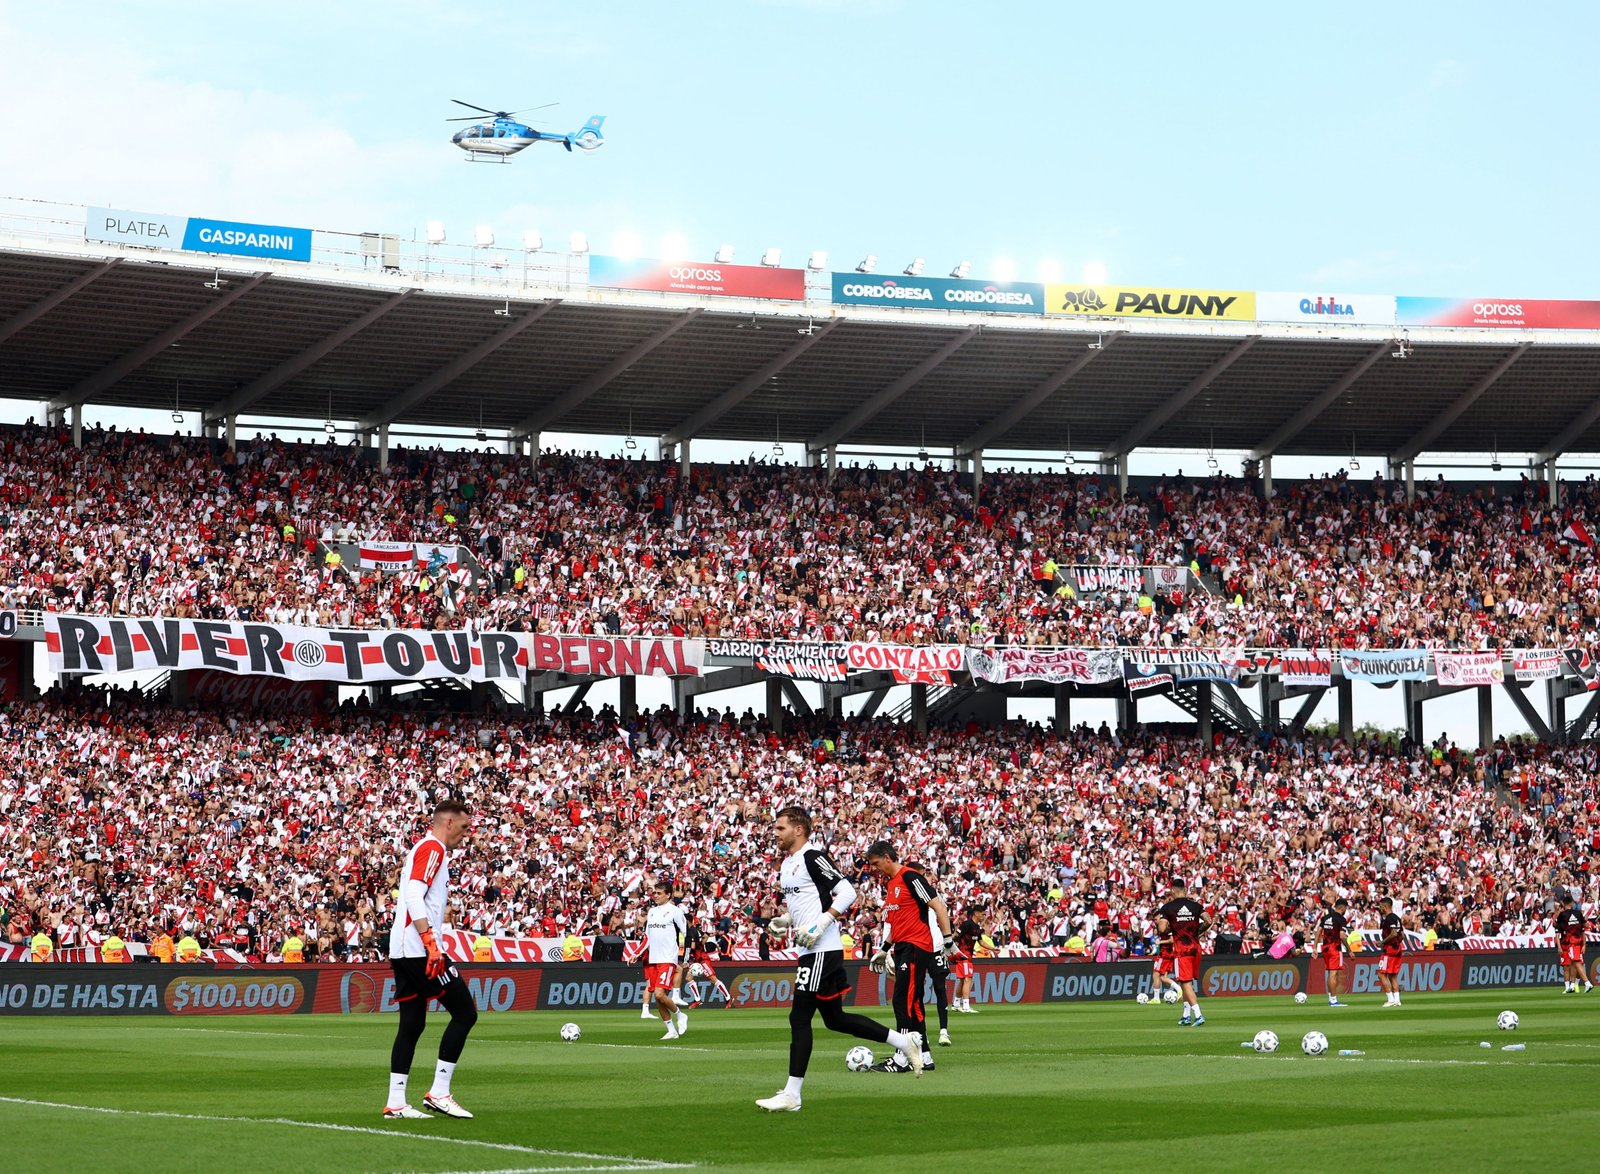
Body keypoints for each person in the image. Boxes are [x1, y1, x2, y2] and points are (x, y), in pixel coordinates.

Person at [754, 806, 924, 1113]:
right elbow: (808, 904)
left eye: (780, 828)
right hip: (810, 950)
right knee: (835, 1019)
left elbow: (846, 892)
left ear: (799, 830)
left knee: (799, 1017)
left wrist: (822, 923)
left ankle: (793, 1093)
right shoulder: (788, 863)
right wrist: (787, 920)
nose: (775, 833)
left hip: (822, 950)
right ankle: (904, 1042)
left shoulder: (812, 856)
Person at [384, 798, 479, 1121]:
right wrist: (431, 944)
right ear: (448, 823)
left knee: (412, 1023)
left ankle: (396, 1102)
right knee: (465, 1012)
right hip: (420, 950)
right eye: (464, 828)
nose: (465, 835)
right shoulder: (433, 848)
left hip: (402, 949)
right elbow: (413, 894)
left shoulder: (426, 849)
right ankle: (439, 1092)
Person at [864, 841, 951, 1072]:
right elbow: (898, 923)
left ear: (887, 857)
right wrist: (884, 949)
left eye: (876, 863)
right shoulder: (892, 884)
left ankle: (902, 1058)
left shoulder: (911, 877)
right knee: (914, 1001)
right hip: (902, 946)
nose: (875, 869)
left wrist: (948, 938)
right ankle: (925, 1056)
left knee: (902, 1001)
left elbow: (938, 906)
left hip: (916, 945)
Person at [1155, 878, 1211, 1027]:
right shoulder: (1196, 906)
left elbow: (1162, 929)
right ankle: (1186, 1015)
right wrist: (1197, 932)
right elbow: (1208, 921)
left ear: (1173, 891)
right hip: (1196, 947)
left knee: (1185, 983)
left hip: (1182, 949)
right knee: (1188, 981)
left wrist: (1172, 928)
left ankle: (1198, 1015)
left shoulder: (1167, 908)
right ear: (1185, 890)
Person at [643, 881, 689, 1040]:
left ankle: (680, 1015)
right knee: (658, 998)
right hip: (654, 959)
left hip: (668, 958)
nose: (655, 896)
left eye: (659, 893)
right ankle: (671, 1030)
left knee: (659, 993)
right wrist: (636, 953)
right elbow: (647, 937)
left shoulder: (675, 911)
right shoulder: (651, 912)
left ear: (668, 895)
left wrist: (683, 957)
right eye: (654, 893)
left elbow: (685, 934)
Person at [1553, 891, 1592, 994]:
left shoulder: (1563, 915)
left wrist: (1556, 912)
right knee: (1574, 962)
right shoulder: (1578, 913)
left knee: (1576, 962)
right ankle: (1572, 985)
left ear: (1564, 904)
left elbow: (1555, 925)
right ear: (1571, 904)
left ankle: (1587, 983)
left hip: (1571, 941)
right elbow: (1585, 925)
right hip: (1578, 940)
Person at [1318, 897, 1350, 1007]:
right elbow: (1342, 936)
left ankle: (1331, 998)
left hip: (1325, 948)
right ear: (1343, 907)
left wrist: (1314, 947)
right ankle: (1333, 1000)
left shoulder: (1326, 917)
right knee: (1334, 973)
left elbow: (1318, 931)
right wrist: (1349, 950)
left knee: (1330, 973)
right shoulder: (1341, 919)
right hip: (1335, 948)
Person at [1377, 897, 1405, 1008]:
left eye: (1380, 906)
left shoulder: (1389, 919)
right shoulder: (1397, 918)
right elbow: (1402, 935)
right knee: (1393, 976)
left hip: (1389, 950)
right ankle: (1397, 1000)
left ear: (1384, 906)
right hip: (1397, 949)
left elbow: (1393, 933)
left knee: (1381, 974)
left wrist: (1383, 942)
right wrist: (1397, 943)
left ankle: (1390, 999)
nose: (1380, 908)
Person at [950, 919, 981, 1014]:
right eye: (983, 914)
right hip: (964, 956)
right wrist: (947, 944)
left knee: (963, 980)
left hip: (966, 956)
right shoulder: (967, 924)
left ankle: (956, 1004)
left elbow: (980, 941)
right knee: (968, 979)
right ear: (977, 914)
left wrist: (993, 948)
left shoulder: (977, 927)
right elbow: (955, 935)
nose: (984, 916)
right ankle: (966, 1006)